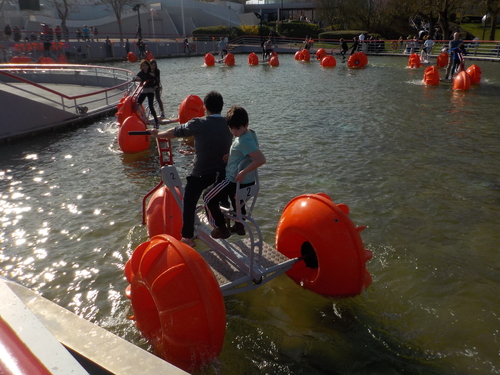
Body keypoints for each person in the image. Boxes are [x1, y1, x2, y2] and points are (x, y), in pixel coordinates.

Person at [148, 91, 233, 247]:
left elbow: (175, 131)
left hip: (202, 174)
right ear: (221, 107)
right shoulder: (229, 123)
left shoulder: (198, 123)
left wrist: (158, 134)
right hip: (223, 173)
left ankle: (187, 236)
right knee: (219, 192)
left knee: (188, 200)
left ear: (205, 107)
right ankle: (224, 215)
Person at [203, 105, 266, 239]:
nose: (233, 131)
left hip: (234, 179)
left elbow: (261, 159)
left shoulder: (243, 140)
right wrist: (232, 156)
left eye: (237, 128)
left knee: (207, 197)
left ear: (246, 124)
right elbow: (249, 152)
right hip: (248, 181)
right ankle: (239, 225)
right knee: (236, 199)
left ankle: (220, 228)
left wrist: (243, 171)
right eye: (231, 128)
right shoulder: (250, 134)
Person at [135, 60, 160, 128]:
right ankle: (142, 117)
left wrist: (154, 77)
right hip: (144, 90)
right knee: (137, 103)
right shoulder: (141, 73)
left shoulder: (151, 72)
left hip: (150, 90)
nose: (145, 67)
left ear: (148, 66)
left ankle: (156, 122)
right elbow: (135, 78)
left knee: (151, 105)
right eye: (143, 66)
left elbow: (157, 80)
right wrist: (136, 79)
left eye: (146, 65)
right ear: (141, 67)